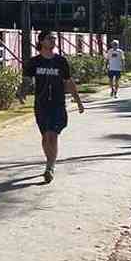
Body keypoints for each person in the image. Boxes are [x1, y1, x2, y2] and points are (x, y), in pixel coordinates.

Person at [22, 30, 85, 184]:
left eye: (54, 39)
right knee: (45, 137)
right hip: (41, 104)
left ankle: (50, 166)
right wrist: (21, 92)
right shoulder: (34, 62)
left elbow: (68, 81)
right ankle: (49, 161)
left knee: (53, 135)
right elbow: (26, 79)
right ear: (41, 41)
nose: (53, 41)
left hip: (57, 103)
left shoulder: (61, 61)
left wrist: (78, 100)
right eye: (50, 38)